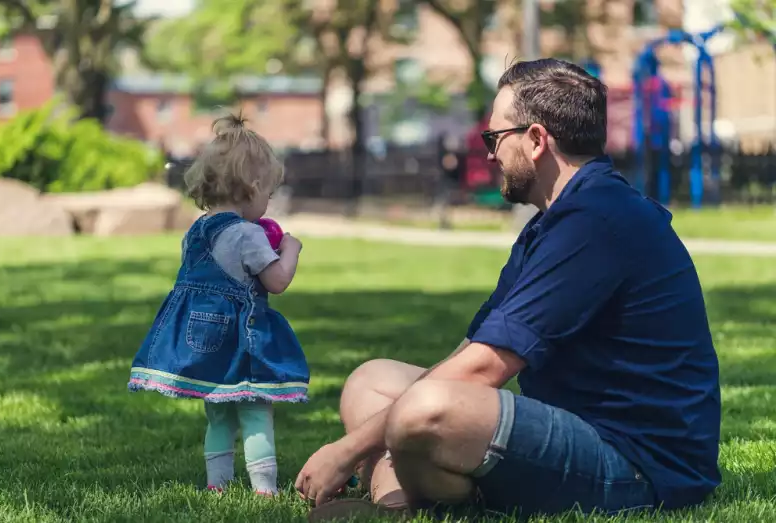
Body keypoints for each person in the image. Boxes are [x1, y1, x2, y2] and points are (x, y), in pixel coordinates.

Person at [297, 58, 722, 521]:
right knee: (372, 382)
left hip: (638, 466)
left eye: (494, 137)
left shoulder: (598, 221)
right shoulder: (555, 222)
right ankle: (397, 507)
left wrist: (346, 451)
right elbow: (471, 352)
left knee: (425, 409)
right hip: (577, 428)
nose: (489, 154)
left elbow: (484, 370)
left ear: (536, 139)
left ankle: (433, 499)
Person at [128, 114, 309, 496]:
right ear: (253, 186)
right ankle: (264, 489)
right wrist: (290, 249)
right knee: (256, 410)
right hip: (240, 344)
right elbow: (277, 281)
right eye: (269, 194)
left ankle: (218, 485)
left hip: (203, 342)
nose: (268, 202)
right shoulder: (247, 235)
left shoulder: (195, 230)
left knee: (219, 415)